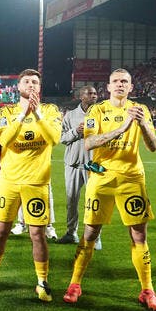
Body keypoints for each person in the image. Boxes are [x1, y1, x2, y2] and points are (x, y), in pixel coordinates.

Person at [63, 68, 156, 311]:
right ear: (108, 87)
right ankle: (75, 283)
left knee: (139, 235)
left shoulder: (141, 110)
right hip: (102, 178)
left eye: (124, 81)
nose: (120, 84)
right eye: (116, 81)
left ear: (131, 87)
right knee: (90, 233)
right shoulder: (98, 110)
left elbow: (153, 146)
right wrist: (122, 127)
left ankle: (147, 289)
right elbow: (88, 142)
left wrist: (142, 124)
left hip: (132, 179)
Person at [0, 69, 61, 302]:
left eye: (35, 81)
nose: (31, 84)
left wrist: (36, 114)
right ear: (18, 87)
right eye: (26, 81)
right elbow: (4, 140)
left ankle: (42, 281)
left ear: (40, 86)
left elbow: (54, 139)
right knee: (0, 231)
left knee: (38, 234)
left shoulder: (50, 110)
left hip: (37, 182)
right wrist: (22, 115)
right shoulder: (6, 111)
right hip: (10, 181)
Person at [57, 85, 99, 246]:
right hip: (73, 164)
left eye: (95, 93)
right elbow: (62, 138)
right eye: (90, 93)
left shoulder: (102, 113)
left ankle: (95, 237)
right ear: (81, 96)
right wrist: (76, 131)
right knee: (71, 200)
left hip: (94, 165)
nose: (94, 96)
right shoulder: (71, 115)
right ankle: (71, 233)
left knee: (94, 202)